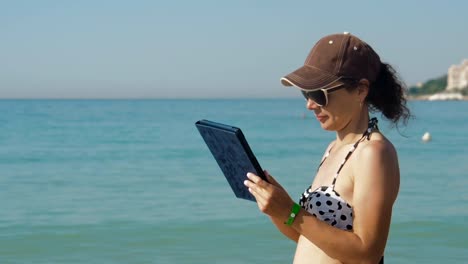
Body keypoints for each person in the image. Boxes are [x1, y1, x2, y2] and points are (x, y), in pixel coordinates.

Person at [243, 32, 411, 264]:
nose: (310, 104)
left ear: (361, 90)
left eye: (318, 94)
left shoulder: (373, 153)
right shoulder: (334, 148)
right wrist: (277, 208)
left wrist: (291, 212)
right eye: (306, 93)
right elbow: (311, 240)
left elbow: (367, 254)